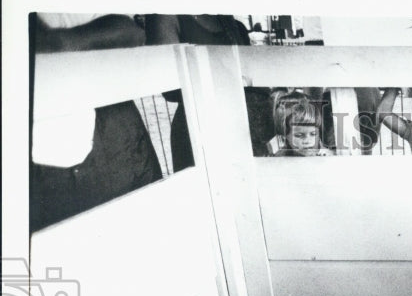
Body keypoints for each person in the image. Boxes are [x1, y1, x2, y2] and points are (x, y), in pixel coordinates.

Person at [30, 13, 162, 233]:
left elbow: (131, 33)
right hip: (31, 174)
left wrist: (51, 45)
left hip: (110, 141)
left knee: (147, 234)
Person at [144, 15, 252, 170]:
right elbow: (172, 88)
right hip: (197, 126)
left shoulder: (228, 19)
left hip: (237, 122)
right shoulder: (165, 16)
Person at [269, 92, 332, 156]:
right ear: (284, 135)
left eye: (313, 134)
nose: (308, 141)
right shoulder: (279, 159)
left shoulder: (326, 156)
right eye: (299, 135)